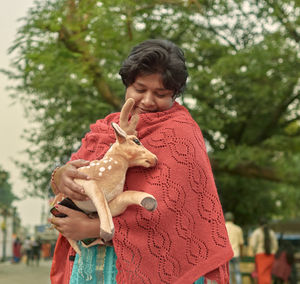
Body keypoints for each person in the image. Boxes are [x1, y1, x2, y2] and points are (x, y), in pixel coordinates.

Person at [50, 39, 233, 284]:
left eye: (161, 94)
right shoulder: (106, 129)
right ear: (127, 84)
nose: (147, 100)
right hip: (91, 268)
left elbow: (171, 212)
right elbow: (79, 177)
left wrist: (93, 228)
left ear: (175, 94)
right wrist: (61, 176)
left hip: (155, 268)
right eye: (139, 89)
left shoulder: (181, 134)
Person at [249, 218, 278, 284]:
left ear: (259, 224)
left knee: (261, 274)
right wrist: (273, 252)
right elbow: (275, 245)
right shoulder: (271, 232)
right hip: (271, 255)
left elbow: (253, 245)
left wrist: (254, 252)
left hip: (260, 255)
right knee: (268, 274)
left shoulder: (257, 232)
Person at [225, 212, 244, 284]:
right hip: (236, 253)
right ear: (233, 219)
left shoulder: (223, 228)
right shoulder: (238, 229)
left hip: (227, 255)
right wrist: (241, 253)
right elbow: (241, 243)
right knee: (237, 273)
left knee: (228, 273)